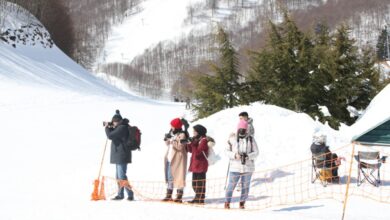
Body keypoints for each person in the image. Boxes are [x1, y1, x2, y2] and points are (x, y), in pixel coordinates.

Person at [224, 120, 259, 209]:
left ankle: (242, 202)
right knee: (231, 185)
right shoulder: (232, 139)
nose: (242, 131)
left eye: (244, 129)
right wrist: (235, 155)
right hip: (235, 167)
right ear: (238, 129)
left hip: (247, 167)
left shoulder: (251, 139)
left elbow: (256, 152)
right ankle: (227, 202)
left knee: (245, 186)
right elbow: (226, 151)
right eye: (241, 129)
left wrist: (248, 156)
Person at [104, 110, 134, 201]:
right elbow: (114, 134)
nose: (113, 123)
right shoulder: (119, 127)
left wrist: (107, 127)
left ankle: (130, 194)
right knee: (118, 176)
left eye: (113, 121)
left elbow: (110, 136)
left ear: (117, 121)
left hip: (122, 155)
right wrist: (111, 127)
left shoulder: (122, 128)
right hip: (119, 155)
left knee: (121, 176)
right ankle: (120, 194)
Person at [162, 118, 188, 203]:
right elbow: (167, 144)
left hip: (178, 158)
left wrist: (172, 141)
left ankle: (179, 195)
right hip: (170, 157)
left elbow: (180, 146)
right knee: (170, 177)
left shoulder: (182, 135)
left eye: (172, 126)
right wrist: (167, 139)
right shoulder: (172, 133)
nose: (171, 127)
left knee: (179, 176)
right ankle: (169, 194)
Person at [186, 124, 209, 204]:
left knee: (200, 183)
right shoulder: (196, 139)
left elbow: (199, 152)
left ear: (199, 132)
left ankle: (200, 198)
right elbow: (190, 150)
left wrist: (193, 143)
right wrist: (188, 143)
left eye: (195, 131)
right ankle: (197, 197)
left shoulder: (204, 140)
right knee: (194, 183)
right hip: (195, 164)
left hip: (201, 165)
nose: (193, 133)